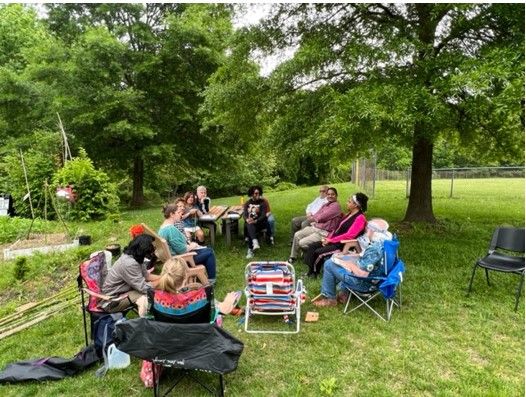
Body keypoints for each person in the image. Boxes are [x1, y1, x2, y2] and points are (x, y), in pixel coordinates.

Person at [313, 218, 392, 307]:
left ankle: (330, 299)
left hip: (366, 284)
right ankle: (344, 294)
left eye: (368, 228)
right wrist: (346, 257)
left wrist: (348, 264)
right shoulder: (386, 242)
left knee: (329, 264)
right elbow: (368, 259)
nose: (366, 231)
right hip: (379, 279)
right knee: (344, 259)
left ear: (372, 231)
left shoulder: (374, 249)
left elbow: (362, 274)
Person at [303, 193, 369, 278]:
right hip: (335, 241)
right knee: (312, 246)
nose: (347, 203)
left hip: (344, 245)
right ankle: (311, 270)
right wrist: (328, 239)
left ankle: (314, 274)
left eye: (349, 202)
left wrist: (331, 240)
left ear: (355, 205)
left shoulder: (360, 218)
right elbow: (337, 228)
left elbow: (350, 235)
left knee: (319, 253)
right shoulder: (349, 214)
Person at [154, 257, 242, 317]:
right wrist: (228, 301)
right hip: (199, 342)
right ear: (185, 276)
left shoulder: (155, 298)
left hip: (167, 342)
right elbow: (223, 311)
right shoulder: (199, 298)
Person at [101, 234, 161, 317]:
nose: (153, 250)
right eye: (152, 247)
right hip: (112, 300)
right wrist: (164, 281)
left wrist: (165, 277)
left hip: (124, 292)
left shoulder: (136, 257)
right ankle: (146, 323)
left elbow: (147, 276)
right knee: (147, 295)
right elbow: (144, 288)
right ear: (145, 248)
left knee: (155, 289)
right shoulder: (129, 263)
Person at [158, 203, 217, 284]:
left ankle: (201, 276)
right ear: (171, 214)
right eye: (178, 212)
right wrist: (192, 245)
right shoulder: (170, 229)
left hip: (173, 258)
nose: (181, 214)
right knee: (209, 252)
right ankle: (211, 280)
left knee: (205, 250)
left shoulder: (163, 227)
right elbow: (182, 250)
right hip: (179, 261)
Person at [288, 187, 341, 263]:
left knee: (302, 243)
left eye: (332, 194)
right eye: (328, 194)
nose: (330, 196)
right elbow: (318, 214)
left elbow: (322, 217)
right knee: (297, 234)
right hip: (316, 227)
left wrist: (314, 218)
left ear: (336, 195)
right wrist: (314, 218)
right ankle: (293, 256)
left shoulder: (336, 206)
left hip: (324, 232)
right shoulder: (326, 205)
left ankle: (309, 255)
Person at [243, 185, 272, 259]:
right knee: (249, 225)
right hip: (251, 223)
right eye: (256, 193)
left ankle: (250, 249)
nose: (257, 195)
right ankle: (254, 243)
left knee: (249, 226)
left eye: (258, 193)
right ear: (252, 194)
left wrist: (255, 221)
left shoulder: (263, 202)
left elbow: (263, 216)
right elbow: (245, 214)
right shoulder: (247, 203)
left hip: (261, 223)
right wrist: (247, 219)